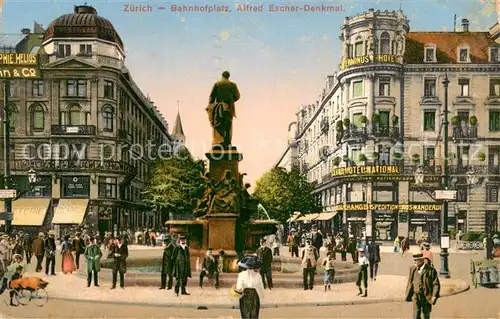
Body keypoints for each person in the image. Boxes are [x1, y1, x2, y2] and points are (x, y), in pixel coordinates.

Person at [207, 71, 241, 147]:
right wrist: (231, 100)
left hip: (218, 107)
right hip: (229, 108)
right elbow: (238, 96)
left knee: (218, 125)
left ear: (222, 76)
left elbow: (212, 96)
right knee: (228, 125)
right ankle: (228, 143)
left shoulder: (217, 84)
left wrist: (211, 106)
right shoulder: (233, 85)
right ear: (228, 76)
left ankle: (218, 142)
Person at [405, 253, 440, 319]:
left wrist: (434, 295)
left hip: (426, 296)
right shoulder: (412, 269)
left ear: (421, 260)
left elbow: (436, 284)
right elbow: (410, 281)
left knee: (426, 315)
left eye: (416, 260)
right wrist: (408, 293)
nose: (414, 262)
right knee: (415, 315)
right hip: (415, 295)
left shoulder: (431, 270)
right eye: (413, 260)